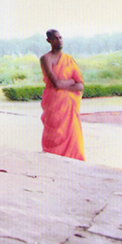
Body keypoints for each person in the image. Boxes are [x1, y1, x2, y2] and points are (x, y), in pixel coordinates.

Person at [39, 29, 85, 161]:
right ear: (49, 40)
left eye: (60, 37)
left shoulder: (69, 60)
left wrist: (66, 83)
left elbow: (80, 85)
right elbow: (55, 83)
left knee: (73, 134)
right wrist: (71, 82)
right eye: (55, 38)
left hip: (69, 106)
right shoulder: (45, 59)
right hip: (54, 104)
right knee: (54, 135)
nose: (59, 40)